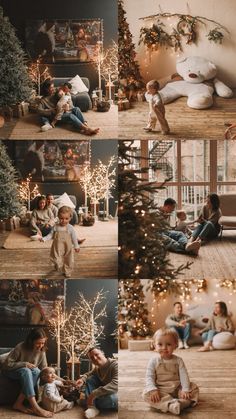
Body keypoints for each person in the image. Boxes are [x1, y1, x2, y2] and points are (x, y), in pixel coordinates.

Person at [143, 328, 199, 415]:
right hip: (161, 391)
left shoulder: (178, 360)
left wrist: (185, 389)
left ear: (175, 345)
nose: (164, 348)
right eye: (160, 344)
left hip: (177, 389)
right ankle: (171, 405)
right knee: (146, 394)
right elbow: (149, 376)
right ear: (154, 345)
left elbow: (184, 376)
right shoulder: (153, 361)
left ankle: (181, 403)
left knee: (194, 387)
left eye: (168, 344)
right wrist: (153, 389)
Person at [2, 328, 52, 417]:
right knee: (26, 370)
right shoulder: (20, 347)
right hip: (10, 371)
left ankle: (18, 403)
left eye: (43, 343)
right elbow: (7, 364)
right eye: (38, 343)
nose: (40, 345)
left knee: (36, 371)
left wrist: (59, 378)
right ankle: (35, 407)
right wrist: (24, 364)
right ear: (31, 341)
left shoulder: (41, 351)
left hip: (26, 373)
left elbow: (44, 369)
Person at [76, 347, 118, 419]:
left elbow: (116, 384)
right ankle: (92, 407)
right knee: (90, 379)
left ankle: (88, 402)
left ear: (102, 353)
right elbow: (88, 374)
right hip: (104, 393)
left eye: (97, 354)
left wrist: (93, 394)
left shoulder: (115, 365)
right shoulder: (97, 368)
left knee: (113, 399)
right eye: (92, 358)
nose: (95, 358)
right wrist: (82, 379)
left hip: (115, 393)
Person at [40, 205, 80, 277]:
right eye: (61, 218)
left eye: (66, 219)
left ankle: (67, 271)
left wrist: (76, 246)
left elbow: (74, 237)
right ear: (58, 217)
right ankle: (57, 264)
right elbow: (50, 235)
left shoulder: (70, 228)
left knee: (69, 258)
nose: (64, 220)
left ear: (70, 218)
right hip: (57, 246)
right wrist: (44, 239)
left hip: (68, 246)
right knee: (56, 257)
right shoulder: (56, 227)